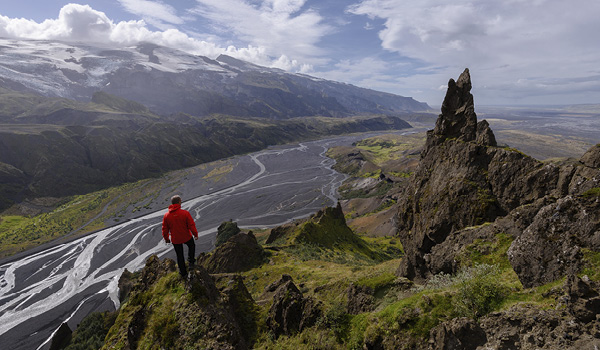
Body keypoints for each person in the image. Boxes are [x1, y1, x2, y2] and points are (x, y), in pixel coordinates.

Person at [162, 195, 199, 278]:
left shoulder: (166, 216)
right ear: (179, 202)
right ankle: (191, 263)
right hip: (186, 236)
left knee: (179, 255)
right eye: (180, 201)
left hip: (175, 239)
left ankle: (183, 273)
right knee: (191, 246)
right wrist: (195, 234)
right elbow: (191, 225)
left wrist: (167, 239)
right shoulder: (185, 213)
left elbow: (165, 229)